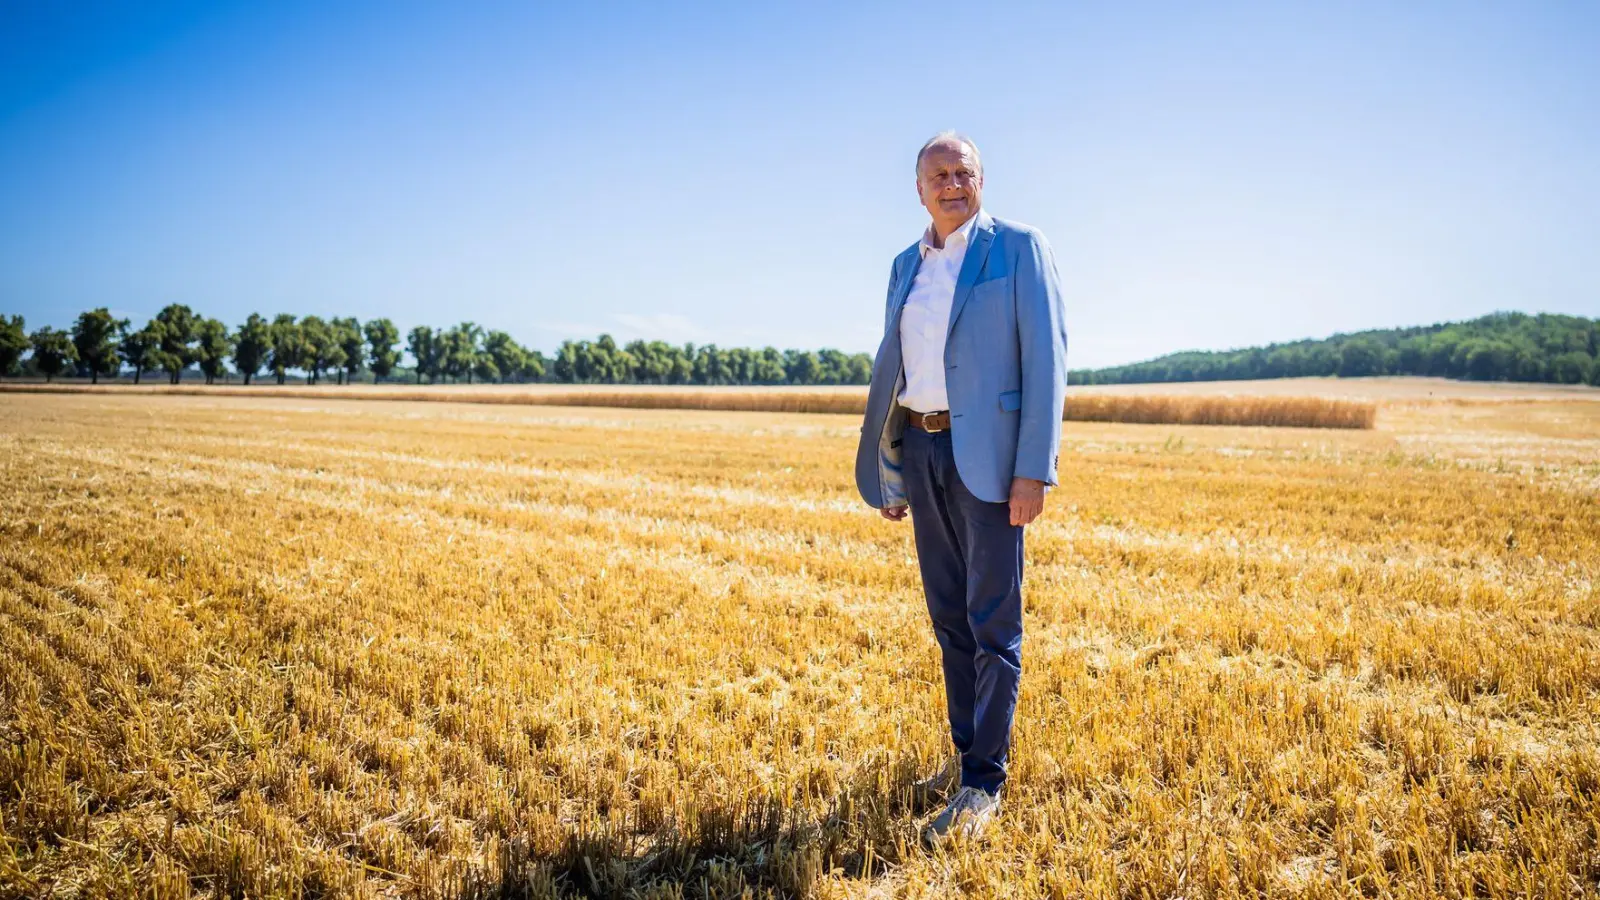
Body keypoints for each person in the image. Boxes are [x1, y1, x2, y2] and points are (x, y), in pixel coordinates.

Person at [853, 131, 1068, 847]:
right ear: (919, 190)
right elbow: (895, 369)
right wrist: (891, 467)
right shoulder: (902, 266)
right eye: (938, 174)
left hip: (990, 457)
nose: (952, 182)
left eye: (963, 171)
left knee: (992, 626)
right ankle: (963, 755)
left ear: (981, 179)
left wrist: (1034, 467)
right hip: (921, 448)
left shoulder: (1018, 248)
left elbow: (1047, 360)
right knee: (948, 619)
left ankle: (984, 782)